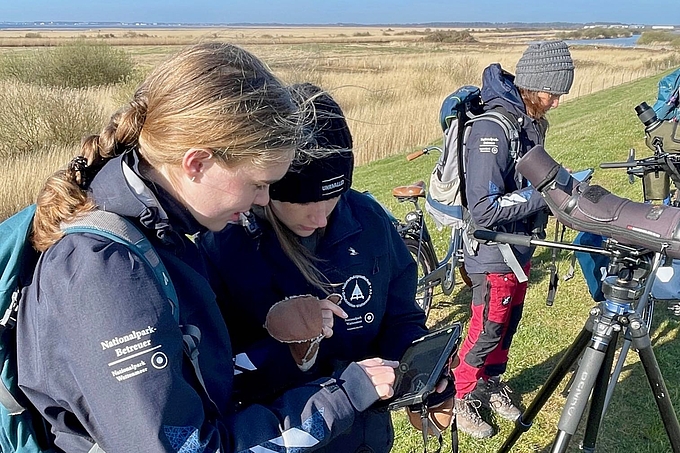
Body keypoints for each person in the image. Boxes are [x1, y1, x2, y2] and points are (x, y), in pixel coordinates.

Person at [17, 43, 399, 453]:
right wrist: (339, 397)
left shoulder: (162, 238)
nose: (264, 200)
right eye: (258, 183)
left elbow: (207, 378)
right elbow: (189, 447)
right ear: (196, 163)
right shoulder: (108, 273)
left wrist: (285, 343)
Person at [203, 83, 434, 453]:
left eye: (333, 196)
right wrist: (290, 347)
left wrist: (419, 370)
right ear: (269, 187)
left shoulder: (368, 219)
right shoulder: (226, 246)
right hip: (283, 435)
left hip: (367, 435)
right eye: (306, 200)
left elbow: (401, 315)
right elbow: (215, 374)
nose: (321, 216)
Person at [452, 40, 575, 438]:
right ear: (532, 85)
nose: (555, 102)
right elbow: (484, 208)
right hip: (492, 250)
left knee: (508, 323)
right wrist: (546, 194)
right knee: (487, 324)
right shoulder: (493, 128)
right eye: (551, 93)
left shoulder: (530, 121)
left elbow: (525, 181)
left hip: (518, 245)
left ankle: (489, 382)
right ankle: (461, 394)